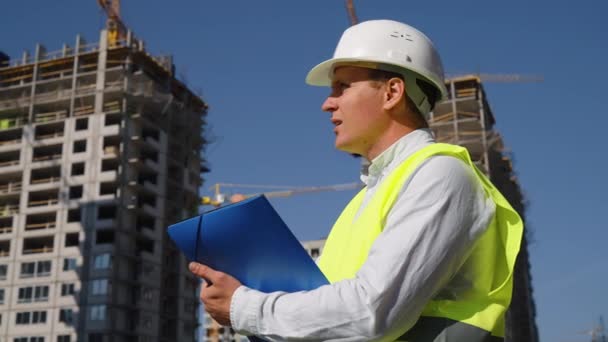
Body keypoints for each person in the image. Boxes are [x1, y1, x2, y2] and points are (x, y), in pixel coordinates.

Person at [189, 19, 523, 341]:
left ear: (392, 92)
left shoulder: (442, 175)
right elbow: (335, 320)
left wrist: (245, 306)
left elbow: (373, 311)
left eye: (343, 87)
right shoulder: (361, 204)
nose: (326, 103)